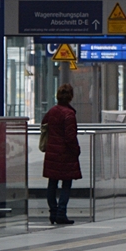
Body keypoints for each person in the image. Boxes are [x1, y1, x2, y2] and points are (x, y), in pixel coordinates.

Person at [41, 83, 81, 224]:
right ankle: (61, 213)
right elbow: (70, 137)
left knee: (52, 183)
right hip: (65, 154)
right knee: (66, 183)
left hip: (52, 153)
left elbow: (44, 125)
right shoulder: (69, 114)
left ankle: (53, 212)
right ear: (70, 97)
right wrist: (76, 150)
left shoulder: (52, 111)